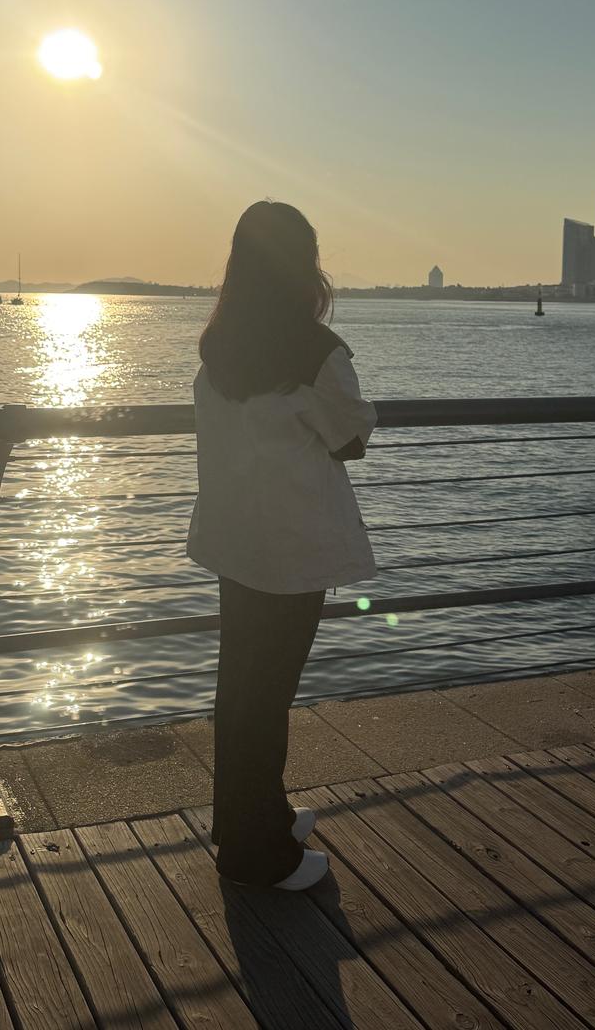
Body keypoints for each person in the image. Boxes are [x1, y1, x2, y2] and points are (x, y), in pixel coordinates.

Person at [187, 200, 376, 890]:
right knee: (267, 696)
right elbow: (350, 439)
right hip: (291, 549)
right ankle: (256, 853)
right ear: (304, 265)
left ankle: (248, 816)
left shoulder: (219, 346)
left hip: (236, 540)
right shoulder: (314, 352)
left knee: (241, 686)